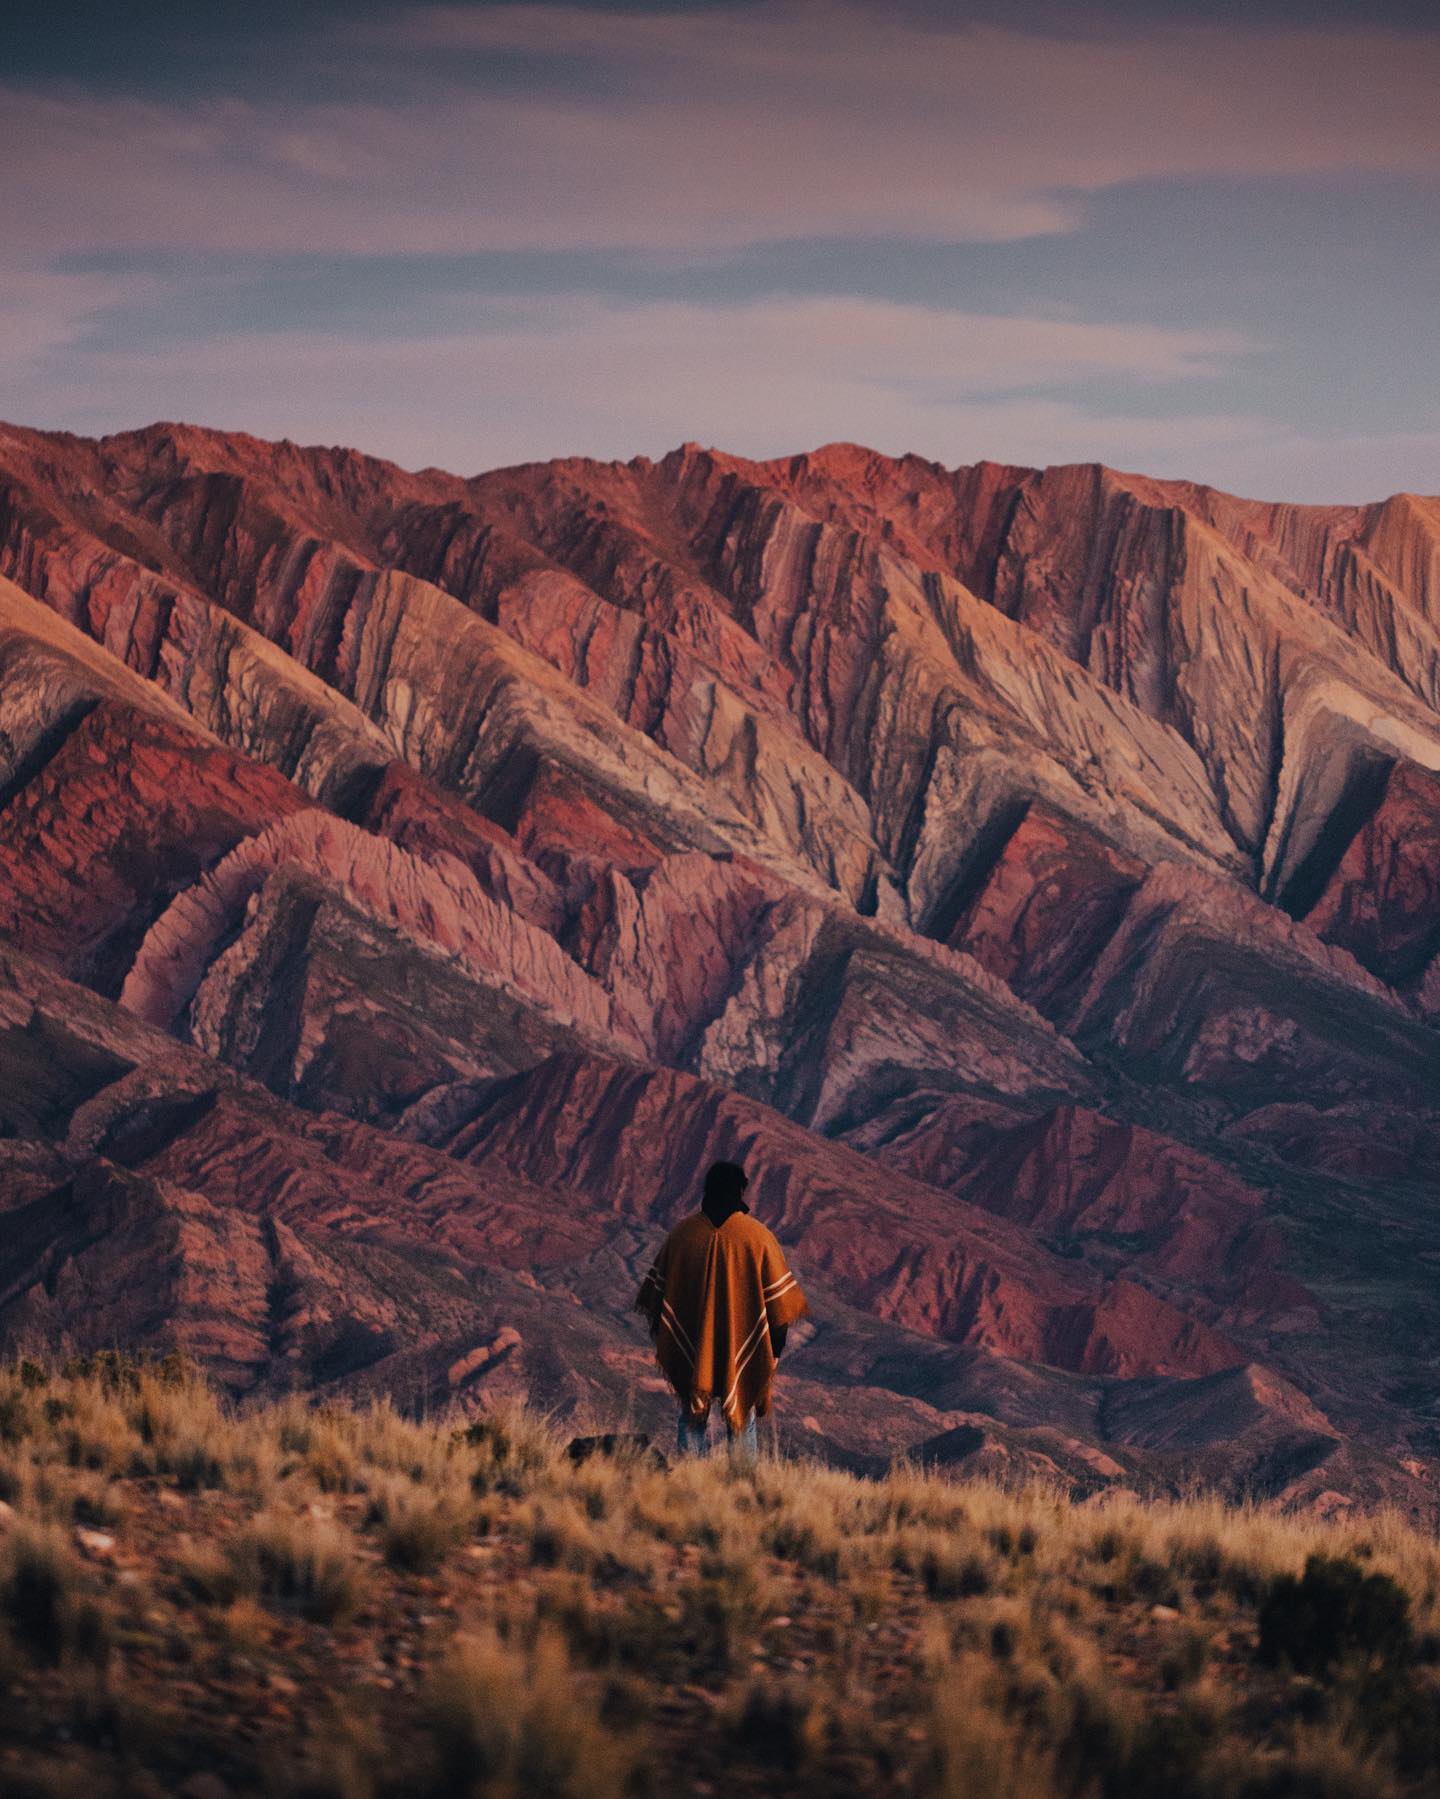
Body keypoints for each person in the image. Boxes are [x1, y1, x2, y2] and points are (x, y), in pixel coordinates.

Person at [634, 1159, 809, 1457]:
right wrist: (774, 1352)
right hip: (743, 1345)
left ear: (707, 1190)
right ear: (740, 1191)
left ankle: (689, 1485)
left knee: (691, 1417)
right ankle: (742, 1487)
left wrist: (668, 1343)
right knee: (742, 1417)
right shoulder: (758, 1237)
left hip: (692, 1345)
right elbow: (778, 1308)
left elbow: (658, 1302)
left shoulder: (683, 1235)